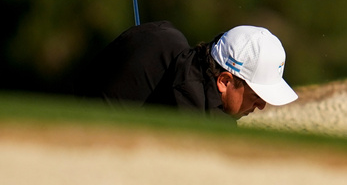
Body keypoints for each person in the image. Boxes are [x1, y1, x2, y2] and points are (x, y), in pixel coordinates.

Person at [79, 21, 298, 120]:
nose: (261, 106)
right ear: (224, 81)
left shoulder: (165, 36)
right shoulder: (196, 115)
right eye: (256, 96)